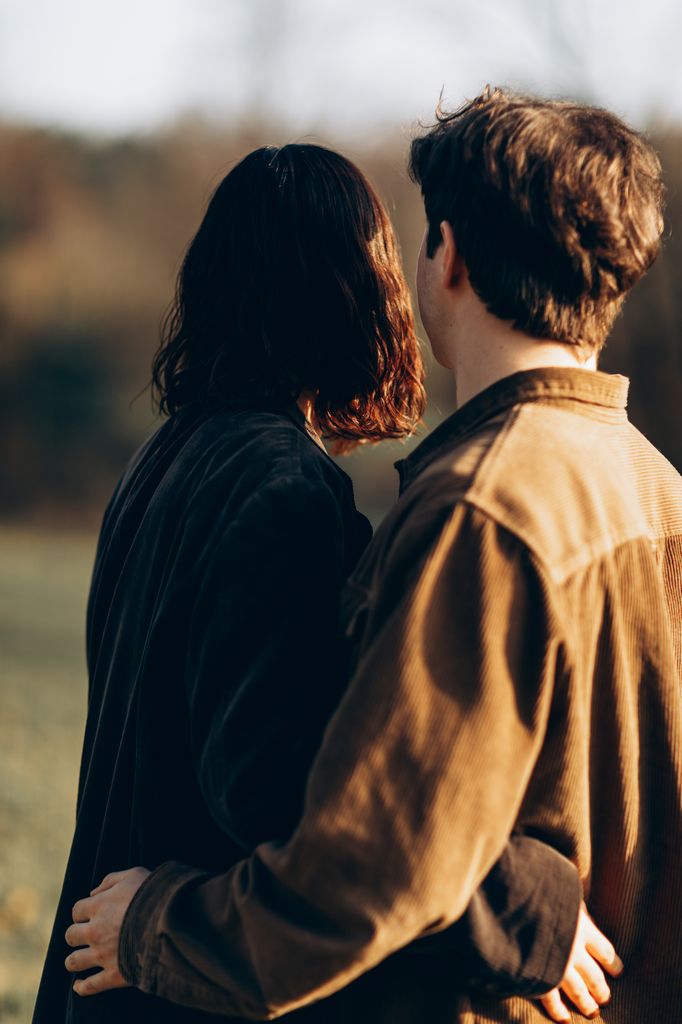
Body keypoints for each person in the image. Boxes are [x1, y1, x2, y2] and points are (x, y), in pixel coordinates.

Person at [66, 91, 681, 1024]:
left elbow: (369, 804)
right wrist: (527, 914)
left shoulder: (166, 461)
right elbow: (316, 791)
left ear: (451, 259)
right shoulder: (289, 486)